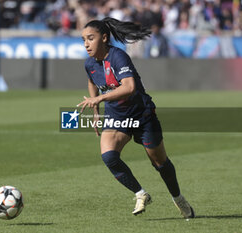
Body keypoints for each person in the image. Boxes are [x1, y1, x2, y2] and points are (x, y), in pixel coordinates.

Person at [77, 17, 195, 218]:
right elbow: (92, 82)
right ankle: (141, 194)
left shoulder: (118, 56)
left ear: (104, 38)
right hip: (117, 117)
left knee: (160, 163)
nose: (86, 44)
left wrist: (101, 99)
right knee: (109, 156)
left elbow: (129, 88)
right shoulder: (90, 64)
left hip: (142, 115)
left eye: (90, 38)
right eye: (83, 40)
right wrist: (96, 113)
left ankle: (178, 198)